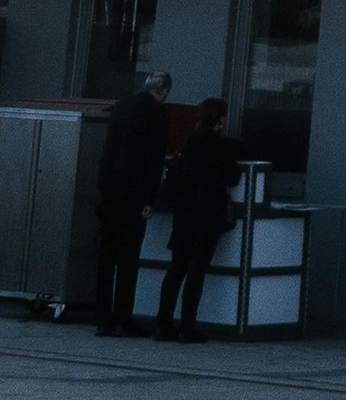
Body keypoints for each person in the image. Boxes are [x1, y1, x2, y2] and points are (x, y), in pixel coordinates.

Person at [84, 72, 171, 337]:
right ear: (164, 91)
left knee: (106, 258)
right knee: (128, 257)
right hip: (135, 192)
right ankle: (123, 316)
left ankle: (102, 318)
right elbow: (153, 158)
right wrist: (150, 198)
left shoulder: (122, 107)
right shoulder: (157, 113)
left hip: (110, 191)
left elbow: (110, 151)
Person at [153, 96, 245, 340]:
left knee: (177, 268)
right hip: (209, 214)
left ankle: (163, 324)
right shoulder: (224, 147)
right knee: (197, 270)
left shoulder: (187, 142)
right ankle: (187, 326)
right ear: (221, 119)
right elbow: (233, 177)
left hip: (184, 213)